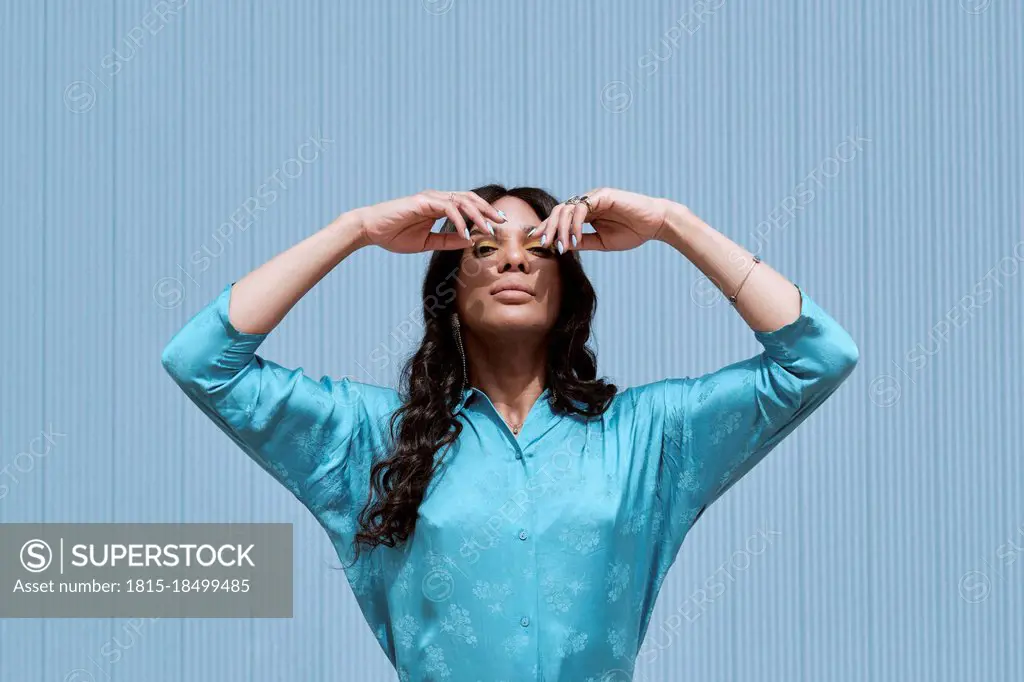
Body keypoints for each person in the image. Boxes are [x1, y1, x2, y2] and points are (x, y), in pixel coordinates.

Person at [160, 185, 859, 681]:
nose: (514, 259)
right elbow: (201, 363)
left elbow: (821, 357)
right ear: (449, 292)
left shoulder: (648, 437)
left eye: (539, 247)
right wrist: (357, 229)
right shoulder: (378, 440)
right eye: (485, 246)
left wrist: (673, 223)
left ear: (569, 291)